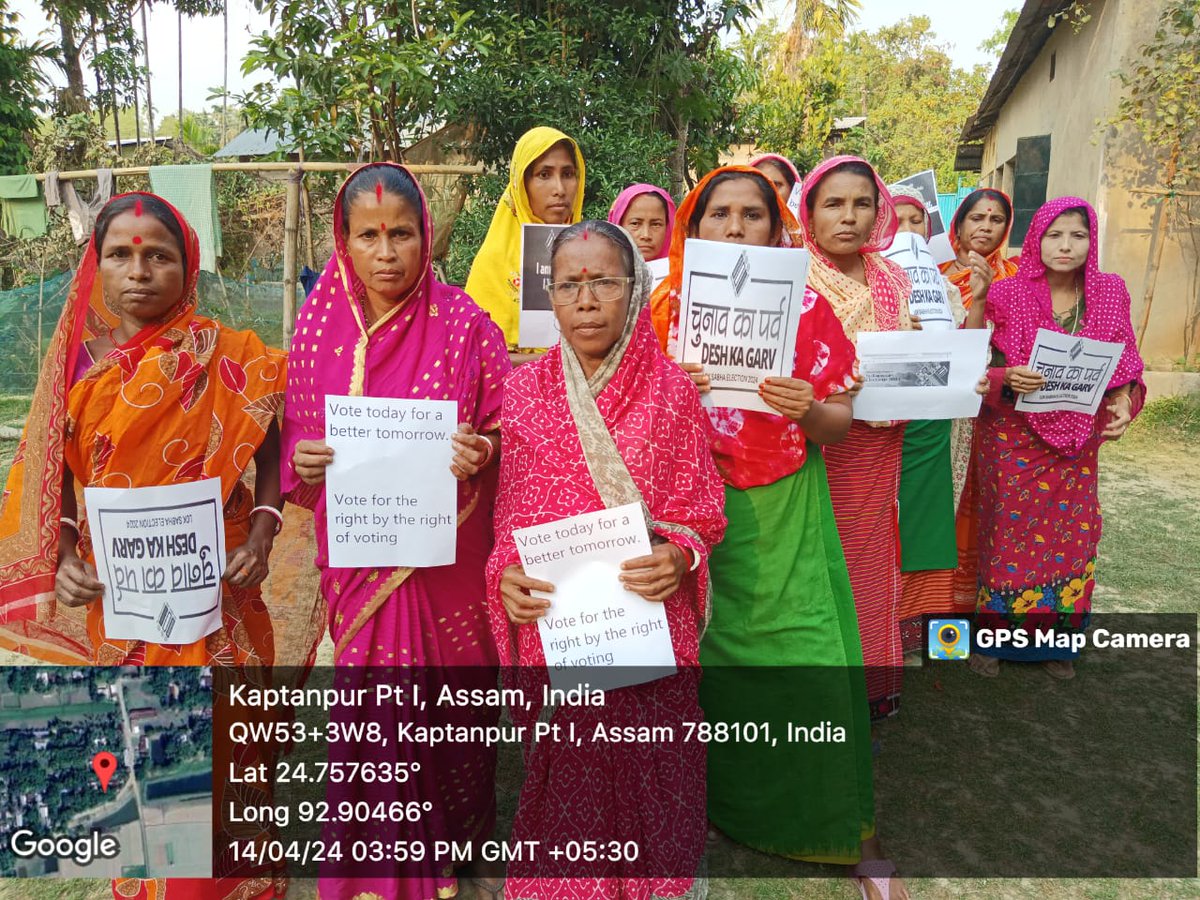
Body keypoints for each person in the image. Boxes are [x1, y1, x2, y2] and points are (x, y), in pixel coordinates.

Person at [0, 192, 289, 900]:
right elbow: (53, 474)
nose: (139, 271)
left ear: (186, 266)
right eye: (120, 256)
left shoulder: (231, 354)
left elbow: (272, 447)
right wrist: (64, 550)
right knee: (143, 751)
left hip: (219, 589)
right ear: (95, 269)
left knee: (225, 748)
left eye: (158, 254)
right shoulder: (77, 366)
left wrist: (263, 528)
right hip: (121, 601)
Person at [650, 166, 906, 900]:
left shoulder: (806, 310)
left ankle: (841, 830)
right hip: (682, 502)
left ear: (776, 227)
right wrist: (675, 391)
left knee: (805, 651)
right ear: (693, 231)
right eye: (719, 215)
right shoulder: (661, 309)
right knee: (699, 655)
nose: (735, 229)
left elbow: (838, 422)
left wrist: (804, 410)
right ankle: (702, 808)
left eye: (752, 215)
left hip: (783, 498)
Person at [281, 162, 511, 900]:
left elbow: (508, 426)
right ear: (341, 242)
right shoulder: (319, 323)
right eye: (368, 236)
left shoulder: (467, 321)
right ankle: (383, 868)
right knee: (377, 711)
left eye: (402, 234)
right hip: (361, 559)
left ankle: (463, 841)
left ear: (427, 236)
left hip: (452, 553)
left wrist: (482, 450)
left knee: (458, 710)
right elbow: (295, 441)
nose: (387, 253)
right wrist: (305, 461)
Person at [488, 219, 726, 900]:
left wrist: (680, 557)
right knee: (569, 784)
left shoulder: (674, 393)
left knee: (653, 771)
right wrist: (506, 575)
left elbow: (702, 512)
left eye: (604, 283)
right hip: (561, 629)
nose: (586, 300)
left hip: (646, 621)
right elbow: (510, 521)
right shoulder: (523, 393)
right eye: (569, 284)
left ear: (635, 288)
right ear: (550, 296)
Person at [971, 197, 1144, 680]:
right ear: (1036, 240)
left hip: (1077, 443)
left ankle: (1057, 646)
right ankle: (993, 640)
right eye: (1055, 235)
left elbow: (1125, 362)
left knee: (1072, 536)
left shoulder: (1111, 292)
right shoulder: (1006, 294)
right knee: (1006, 533)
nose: (1066, 246)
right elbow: (973, 361)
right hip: (1013, 437)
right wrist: (1007, 376)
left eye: (1078, 236)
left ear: (1092, 243)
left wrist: (1125, 402)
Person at [797, 156, 913, 722]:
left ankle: (869, 686)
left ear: (878, 212)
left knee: (870, 563)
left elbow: (914, 354)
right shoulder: (792, 276)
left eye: (862, 204)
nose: (849, 217)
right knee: (818, 566)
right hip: (815, 451)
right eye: (834, 204)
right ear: (810, 213)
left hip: (879, 450)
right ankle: (821, 692)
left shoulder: (895, 280)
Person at [888, 184, 967, 655]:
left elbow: (966, 354)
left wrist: (974, 302)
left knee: (928, 524)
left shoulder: (947, 290)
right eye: (896, 219)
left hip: (932, 426)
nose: (907, 229)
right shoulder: (862, 283)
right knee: (881, 528)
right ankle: (879, 634)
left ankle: (926, 638)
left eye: (916, 220)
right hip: (875, 428)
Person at [940, 189, 1021, 612]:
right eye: (976, 217)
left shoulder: (1017, 278)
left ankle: (974, 607)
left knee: (985, 505)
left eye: (995, 219)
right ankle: (937, 605)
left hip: (997, 412)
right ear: (959, 225)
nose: (985, 227)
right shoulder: (932, 276)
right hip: (945, 411)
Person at [465, 126, 585, 355]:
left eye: (568, 174)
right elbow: (478, 359)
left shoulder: (594, 255)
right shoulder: (493, 263)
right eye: (544, 175)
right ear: (522, 184)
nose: (559, 189)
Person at [607, 182, 675, 261]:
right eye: (635, 223)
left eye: (656, 224)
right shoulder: (598, 270)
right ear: (618, 225)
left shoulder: (684, 271)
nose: (646, 235)